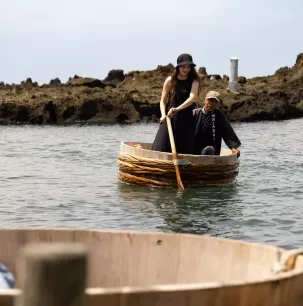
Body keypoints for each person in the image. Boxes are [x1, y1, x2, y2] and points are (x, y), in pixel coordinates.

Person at [151, 53, 202, 154]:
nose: (186, 69)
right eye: (183, 66)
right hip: (170, 117)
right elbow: (163, 101)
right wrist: (163, 115)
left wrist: (177, 109)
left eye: (188, 67)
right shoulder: (170, 80)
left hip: (186, 117)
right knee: (162, 146)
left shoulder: (194, 81)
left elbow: (192, 98)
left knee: (185, 148)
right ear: (178, 67)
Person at [193, 90, 241, 156]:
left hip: (213, 150)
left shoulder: (219, 116)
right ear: (204, 101)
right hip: (195, 148)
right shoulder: (195, 113)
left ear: (217, 104)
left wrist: (233, 147)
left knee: (209, 149)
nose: (211, 103)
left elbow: (227, 132)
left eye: (214, 101)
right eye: (209, 100)